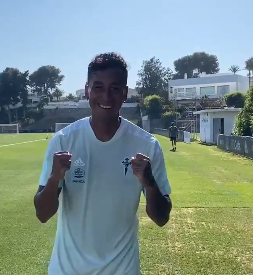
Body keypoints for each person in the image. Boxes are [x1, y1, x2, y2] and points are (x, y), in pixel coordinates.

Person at [34, 52, 172, 275]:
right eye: (98, 87)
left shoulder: (146, 145)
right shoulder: (63, 141)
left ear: (125, 93)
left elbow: (162, 218)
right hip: (68, 270)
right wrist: (54, 179)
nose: (106, 97)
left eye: (115, 88)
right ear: (87, 90)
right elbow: (42, 214)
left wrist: (150, 183)